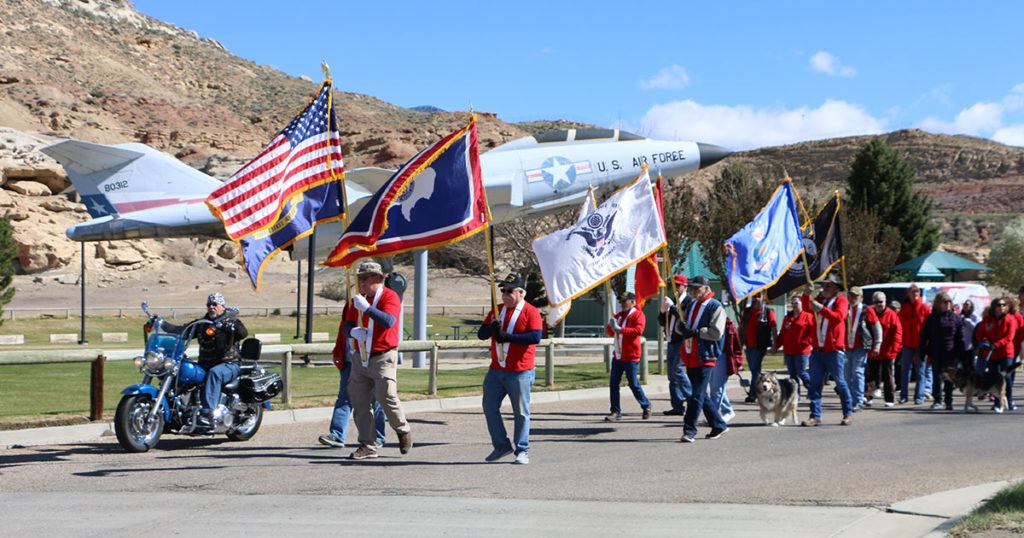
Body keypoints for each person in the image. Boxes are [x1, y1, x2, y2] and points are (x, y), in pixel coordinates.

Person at [344, 260, 412, 460]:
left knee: (386, 395)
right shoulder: (356, 299)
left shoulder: (390, 297)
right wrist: (353, 332)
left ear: (378, 278)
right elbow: (346, 325)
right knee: (360, 402)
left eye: (365, 278)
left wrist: (367, 309)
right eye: (359, 279)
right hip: (360, 357)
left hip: (383, 356)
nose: (361, 283)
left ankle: (402, 430)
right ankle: (368, 444)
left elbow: (389, 321)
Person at [477, 273, 542, 464]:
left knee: (520, 412)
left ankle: (522, 450)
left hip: (520, 371)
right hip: (496, 370)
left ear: (521, 293)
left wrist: (508, 337)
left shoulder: (531, 312)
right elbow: (482, 334)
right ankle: (501, 446)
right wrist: (491, 328)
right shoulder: (497, 311)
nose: (505, 294)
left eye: (509, 291)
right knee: (489, 407)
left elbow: (535, 337)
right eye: (503, 290)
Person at [162, 292, 247, 428]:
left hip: (229, 364)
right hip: (205, 365)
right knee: (182, 370)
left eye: (215, 304)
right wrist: (162, 323)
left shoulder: (231, 321)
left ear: (222, 307)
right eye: (209, 304)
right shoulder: (202, 324)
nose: (211, 307)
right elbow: (182, 330)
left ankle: (207, 414)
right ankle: (177, 411)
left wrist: (231, 327)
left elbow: (243, 332)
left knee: (215, 373)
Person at [317, 301, 387, 449]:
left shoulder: (377, 302)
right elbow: (343, 328)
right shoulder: (351, 303)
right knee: (344, 398)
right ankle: (337, 435)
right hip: (350, 360)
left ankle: (378, 437)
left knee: (376, 400)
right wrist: (338, 351)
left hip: (372, 359)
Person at [678, 276, 728, 442]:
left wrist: (696, 332)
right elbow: (682, 325)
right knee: (701, 395)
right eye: (692, 288)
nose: (694, 291)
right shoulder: (692, 305)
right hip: (691, 354)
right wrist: (681, 327)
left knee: (696, 396)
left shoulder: (716, 307)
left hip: (706, 356)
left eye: (697, 288)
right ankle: (719, 424)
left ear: (707, 289)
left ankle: (689, 430)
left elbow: (716, 332)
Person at [800, 273, 854, 426]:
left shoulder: (842, 300)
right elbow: (806, 308)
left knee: (840, 382)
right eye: (823, 285)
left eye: (828, 285)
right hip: (818, 350)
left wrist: (822, 309)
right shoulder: (821, 300)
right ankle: (815, 415)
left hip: (834, 350)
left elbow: (839, 317)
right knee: (814, 384)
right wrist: (806, 294)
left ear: (836, 288)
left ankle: (847, 413)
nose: (824, 288)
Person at [604, 291, 652, 421]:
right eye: (621, 302)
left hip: (631, 355)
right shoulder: (618, 316)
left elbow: (638, 331)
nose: (622, 304)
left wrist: (621, 330)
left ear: (632, 301)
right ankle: (615, 411)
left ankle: (646, 405)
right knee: (613, 384)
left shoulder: (638, 314)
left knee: (633, 383)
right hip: (618, 356)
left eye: (624, 301)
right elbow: (610, 332)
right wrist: (611, 326)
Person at [919, 292, 964, 411]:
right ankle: (937, 400)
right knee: (937, 377)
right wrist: (922, 351)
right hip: (936, 352)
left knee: (949, 379)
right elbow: (924, 336)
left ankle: (948, 401)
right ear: (939, 303)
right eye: (945, 302)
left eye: (949, 302)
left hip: (951, 353)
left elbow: (960, 336)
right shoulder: (932, 318)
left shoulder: (955, 318)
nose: (948, 304)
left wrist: (961, 352)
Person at [974, 295, 1019, 412]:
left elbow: (1009, 337)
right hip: (991, 353)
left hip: (1006, 352)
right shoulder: (987, 320)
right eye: (999, 305)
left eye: (1004, 305)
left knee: (1006, 377)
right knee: (994, 377)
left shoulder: (1010, 320)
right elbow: (979, 333)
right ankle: (997, 402)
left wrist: (997, 344)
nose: (1002, 307)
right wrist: (984, 340)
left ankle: (1009, 400)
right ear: (994, 307)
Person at [657, 275, 693, 416]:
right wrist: (662, 310)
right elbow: (662, 321)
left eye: (678, 285)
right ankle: (677, 405)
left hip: (682, 340)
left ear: (685, 286)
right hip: (671, 339)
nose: (676, 288)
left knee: (678, 371)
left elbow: (684, 318)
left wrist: (672, 307)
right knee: (672, 375)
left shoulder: (688, 301)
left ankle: (692, 399)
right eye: (674, 285)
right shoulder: (672, 301)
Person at [845, 286, 881, 411]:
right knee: (847, 375)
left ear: (861, 297)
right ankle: (849, 400)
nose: (852, 298)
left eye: (855, 296)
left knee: (857, 373)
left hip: (860, 347)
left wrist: (877, 344)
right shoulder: (845, 308)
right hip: (846, 347)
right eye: (851, 295)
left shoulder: (866, 310)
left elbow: (877, 327)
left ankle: (858, 401)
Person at [865, 291, 902, 407]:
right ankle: (868, 397)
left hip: (888, 350)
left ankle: (890, 399)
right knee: (871, 375)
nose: (878, 304)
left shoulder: (892, 315)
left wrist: (895, 348)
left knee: (888, 375)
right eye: (876, 302)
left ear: (885, 302)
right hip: (873, 350)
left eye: (880, 302)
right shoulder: (870, 314)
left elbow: (898, 332)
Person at [898, 284, 932, 404]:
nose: (915, 293)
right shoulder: (904, 309)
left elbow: (930, 327)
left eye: (917, 291)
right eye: (912, 291)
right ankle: (904, 396)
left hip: (921, 344)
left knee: (920, 372)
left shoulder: (925, 308)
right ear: (909, 294)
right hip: (907, 344)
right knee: (905, 371)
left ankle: (919, 397)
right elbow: (900, 326)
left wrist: (928, 343)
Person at [742, 292, 778, 403]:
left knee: (755, 369)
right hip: (749, 345)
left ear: (763, 297)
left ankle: (753, 394)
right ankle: (760, 391)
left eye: (759, 296)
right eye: (754, 296)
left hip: (760, 345)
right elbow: (742, 327)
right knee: (754, 369)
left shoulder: (767, 312)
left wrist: (775, 344)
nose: (756, 298)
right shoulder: (747, 311)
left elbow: (773, 328)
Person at [777, 294, 814, 394]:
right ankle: (796, 396)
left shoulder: (808, 316)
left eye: (796, 302)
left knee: (802, 372)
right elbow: (782, 333)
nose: (794, 305)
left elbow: (813, 332)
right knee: (793, 376)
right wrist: (776, 346)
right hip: (788, 350)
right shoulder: (787, 318)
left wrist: (806, 342)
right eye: (792, 303)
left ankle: (813, 390)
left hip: (801, 351)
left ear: (802, 304)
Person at [960, 299, 983, 374]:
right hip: (962, 345)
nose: (966, 306)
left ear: (971, 306)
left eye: (967, 304)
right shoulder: (960, 316)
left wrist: (968, 321)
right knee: (963, 365)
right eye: (965, 304)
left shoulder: (974, 316)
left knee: (971, 365)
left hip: (972, 345)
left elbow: (977, 328)